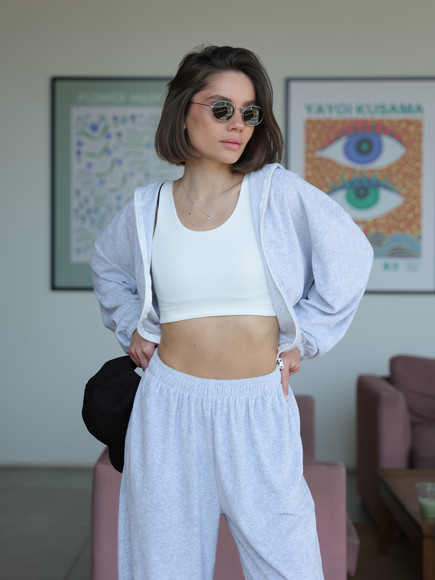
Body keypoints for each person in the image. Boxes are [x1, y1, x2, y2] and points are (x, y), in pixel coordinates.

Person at [91, 44, 373, 580]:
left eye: (249, 112)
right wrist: (133, 326)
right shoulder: (147, 207)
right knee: (163, 567)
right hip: (167, 408)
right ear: (183, 111)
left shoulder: (276, 192)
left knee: (289, 566)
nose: (237, 123)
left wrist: (305, 337)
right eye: (221, 108)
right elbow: (107, 267)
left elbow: (350, 255)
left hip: (258, 407)